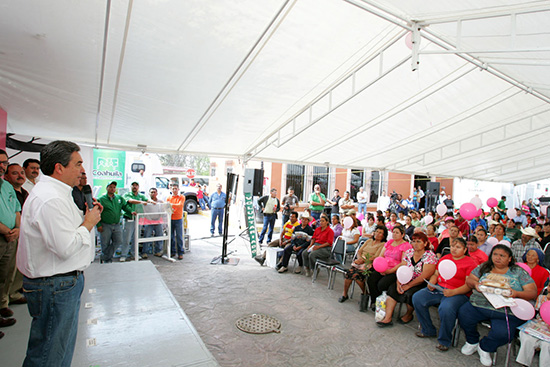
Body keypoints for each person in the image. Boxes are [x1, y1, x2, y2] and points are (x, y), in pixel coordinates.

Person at [17, 141, 102, 366]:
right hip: (55, 285)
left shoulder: (57, 194)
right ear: (59, 168)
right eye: (78, 164)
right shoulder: (51, 199)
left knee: (57, 349)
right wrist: (88, 223)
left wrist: (84, 218)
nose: (82, 170)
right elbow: (65, 247)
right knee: (49, 355)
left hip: (60, 284)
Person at [459, 244, 537, 366]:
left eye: (502, 255)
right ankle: (472, 340)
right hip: (480, 304)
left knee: (504, 333)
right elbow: (469, 279)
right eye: (495, 254)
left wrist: (516, 293)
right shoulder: (484, 267)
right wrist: (476, 285)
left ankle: (485, 347)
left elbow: (532, 292)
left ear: (509, 258)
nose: (498, 258)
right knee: (464, 315)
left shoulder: (518, 272)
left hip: (505, 310)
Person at [412, 237, 477, 352]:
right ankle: (428, 329)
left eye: (458, 247)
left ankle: (444, 340)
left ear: (465, 249)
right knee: (417, 297)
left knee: (446, 308)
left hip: (458, 292)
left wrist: (454, 292)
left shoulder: (470, 263)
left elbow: (469, 285)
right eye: (452, 246)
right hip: (440, 288)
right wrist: (432, 281)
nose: (454, 249)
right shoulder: (445, 258)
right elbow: (436, 274)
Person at [376, 232, 437, 327]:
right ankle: (387, 318)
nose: (415, 244)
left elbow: (424, 276)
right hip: (406, 279)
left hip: (420, 282)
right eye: (413, 241)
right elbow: (402, 268)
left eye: (418, 241)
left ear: (425, 243)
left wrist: (408, 285)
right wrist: (398, 282)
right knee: (392, 289)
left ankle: (409, 314)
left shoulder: (430, 256)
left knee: (410, 293)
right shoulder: (409, 253)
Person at [338, 225, 387, 310]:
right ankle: (345, 294)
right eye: (377, 231)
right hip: (360, 261)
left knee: (357, 276)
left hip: (370, 264)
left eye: (380, 233)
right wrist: (360, 258)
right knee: (349, 273)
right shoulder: (369, 241)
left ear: (383, 235)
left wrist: (364, 260)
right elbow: (359, 251)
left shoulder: (382, 245)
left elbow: (376, 256)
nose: (377, 234)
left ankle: (366, 293)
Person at [0, 150, 22, 336]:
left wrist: (16, 229)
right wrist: (6, 231)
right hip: (3, 235)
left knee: (5, 274)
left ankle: (1, 306)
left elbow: (16, 209)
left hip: (11, 237)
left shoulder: (7, 187)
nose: (2, 165)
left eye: (4, 162)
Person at [366, 226, 412, 308]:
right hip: (383, 267)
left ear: (402, 235)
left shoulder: (406, 245)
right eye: (393, 232)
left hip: (395, 270)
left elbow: (403, 262)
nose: (394, 234)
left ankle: (382, 302)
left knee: (381, 284)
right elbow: (381, 256)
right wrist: (380, 267)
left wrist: (390, 271)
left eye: (397, 233)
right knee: (371, 279)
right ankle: (375, 301)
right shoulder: (389, 242)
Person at [3, 163, 29, 307]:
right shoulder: (6, 191)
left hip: (20, 233)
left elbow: (19, 212)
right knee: (6, 270)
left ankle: (13, 292)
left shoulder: (23, 192)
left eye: (21, 173)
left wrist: (20, 228)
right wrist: (10, 230)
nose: (20, 176)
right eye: (15, 173)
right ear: (6, 176)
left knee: (16, 266)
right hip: (8, 234)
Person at [97, 181, 133, 263]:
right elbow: (97, 213)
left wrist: (131, 211)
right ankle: (107, 260)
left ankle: (104, 257)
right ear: (107, 188)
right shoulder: (101, 199)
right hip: (105, 225)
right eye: (110, 187)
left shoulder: (119, 198)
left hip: (116, 225)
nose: (112, 189)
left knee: (119, 241)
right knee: (105, 243)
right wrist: (98, 225)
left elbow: (125, 206)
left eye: (114, 187)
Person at [120, 182, 151, 261]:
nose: (135, 187)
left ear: (138, 187)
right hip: (129, 219)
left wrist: (153, 202)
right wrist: (141, 202)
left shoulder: (141, 195)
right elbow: (130, 201)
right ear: (131, 186)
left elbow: (147, 200)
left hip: (139, 219)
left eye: (136, 185)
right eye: (133, 185)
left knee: (136, 238)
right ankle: (124, 255)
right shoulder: (127, 195)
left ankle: (134, 254)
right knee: (127, 239)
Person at [143, 188, 164, 258]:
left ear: (157, 193)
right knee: (147, 236)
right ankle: (144, 252)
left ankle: (158, 251)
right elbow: (145, 212)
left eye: (154, 192)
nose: (153, 193)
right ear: (149, 193)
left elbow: (162, 210)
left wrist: (158, 218)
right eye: (151, 192)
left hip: (158, 221)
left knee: (159, 235)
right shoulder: (147, 202)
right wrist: (150, 219)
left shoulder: (160, 202)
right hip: (149, 222)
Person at [167, 183, 185, 259]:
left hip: (178, 218)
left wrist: (171, 205)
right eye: (173, 189)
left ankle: (180, 252)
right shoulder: (169, 197)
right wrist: (171, 205)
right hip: (170, 218)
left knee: (179, 236)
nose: (174, 190)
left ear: (178, 189)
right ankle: (172, 252)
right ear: (171, 189)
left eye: (176, 189)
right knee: (171, 236)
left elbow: (180, 205)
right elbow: (167, 207)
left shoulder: (182, 197)